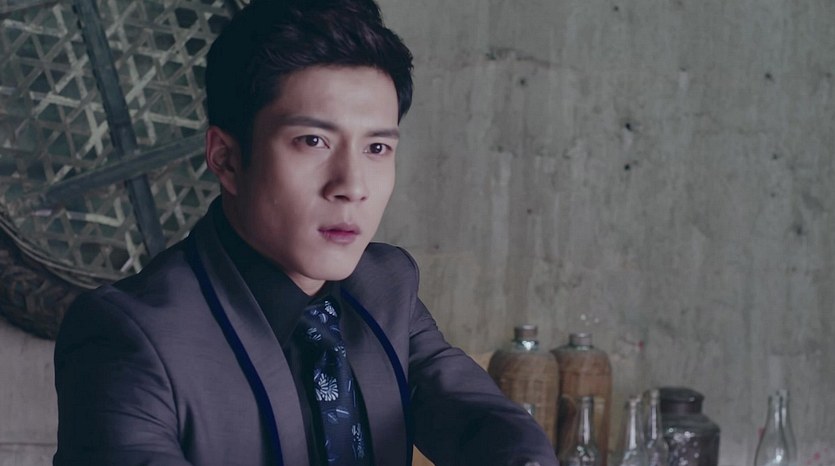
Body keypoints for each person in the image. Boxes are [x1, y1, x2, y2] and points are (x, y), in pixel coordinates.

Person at [53, 0, 557, 465]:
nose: (352, 186)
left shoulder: (385, 286)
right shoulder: (127, 336)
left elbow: (481, 421)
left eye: (376, 148)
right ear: (226, 159)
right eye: (313, 141)